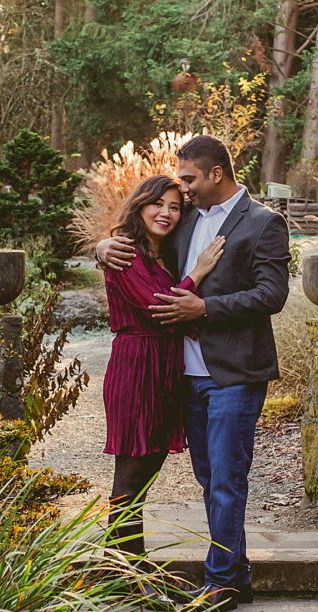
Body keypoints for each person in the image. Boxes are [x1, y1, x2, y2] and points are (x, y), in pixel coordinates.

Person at [96, 136, 290, 612]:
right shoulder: (184, 222)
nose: (181, 192)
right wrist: (103, 246)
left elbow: (272, 294)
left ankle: (221, 579)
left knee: (226, 477)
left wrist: (205, 307)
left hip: (234, 372)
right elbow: (141, 251)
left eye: (188, 180)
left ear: (215, 175)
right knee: (209, 477)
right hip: (180, 374)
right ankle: (234, 572)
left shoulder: (264, 223)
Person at [101, 175, 224, 577]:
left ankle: (123, 567)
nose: (167, 213)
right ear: (140, 205)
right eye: (158, 204)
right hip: (136, 366)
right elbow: (159, 307)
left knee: (145, 472)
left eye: (175, 207)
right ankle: (123, 572)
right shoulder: (126, 254)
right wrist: (201, 272)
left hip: (165, 369)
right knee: (131, 474)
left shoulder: (166, 255)